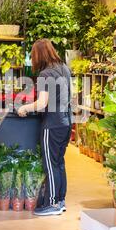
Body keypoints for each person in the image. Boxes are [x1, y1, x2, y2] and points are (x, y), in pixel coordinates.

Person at [17, 39, 72, 216]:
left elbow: (42, 103)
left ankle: (52, 203)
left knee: (50, 165)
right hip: (66, 122)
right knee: (59, 163)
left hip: (52, 124)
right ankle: (60, 200)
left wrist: (24, 107)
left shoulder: (45, 74)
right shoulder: (64, 68)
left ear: (37, 55)